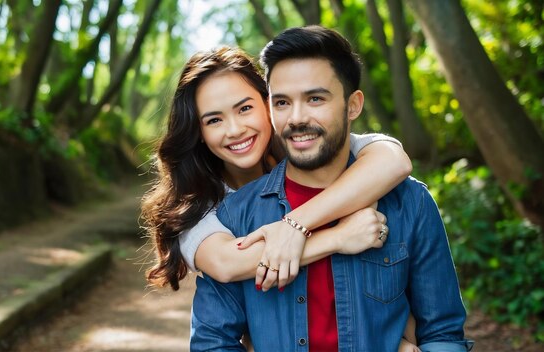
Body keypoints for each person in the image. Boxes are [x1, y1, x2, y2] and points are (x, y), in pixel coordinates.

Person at [190, 26, 473, 351]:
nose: (296, 118)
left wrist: (295, 226)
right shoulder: (234, 217)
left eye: (315, 99)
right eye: (281, 102)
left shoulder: (410, 202)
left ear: (353, 106)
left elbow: (443, 334)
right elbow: (213, 343)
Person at [140, 46, 416, 351]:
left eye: (245, 108)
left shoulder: (308, 149)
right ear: (198, 132)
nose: (235, 129)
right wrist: (337, 237)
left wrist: (294, 225)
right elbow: (225, 263)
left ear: (269, 104)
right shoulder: (200, 206)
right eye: (214, 120)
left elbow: (393, 162)